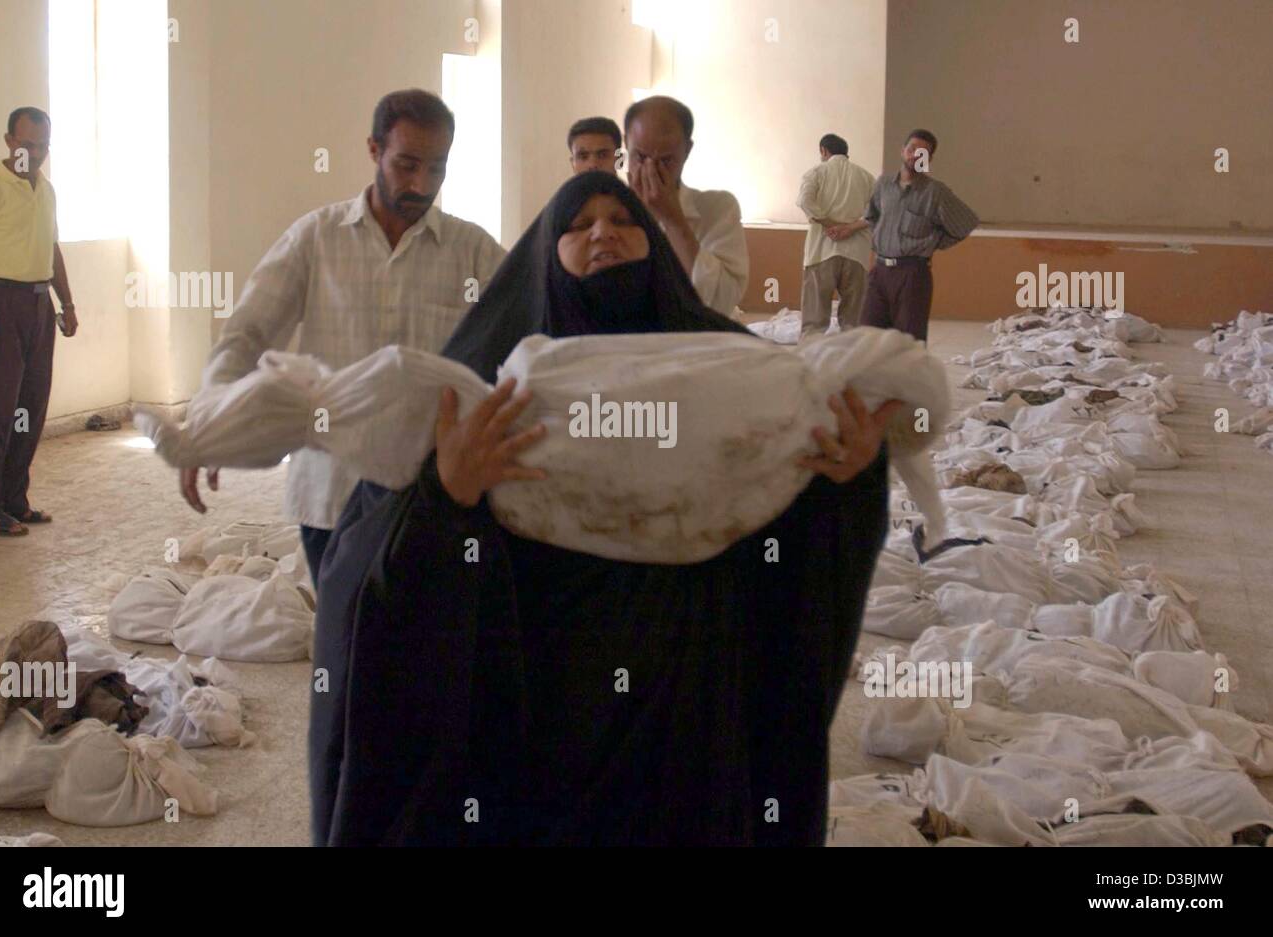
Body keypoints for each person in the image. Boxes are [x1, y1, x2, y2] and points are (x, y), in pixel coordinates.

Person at [308, 171, 896, 846]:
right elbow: (365, 572)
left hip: (680, 705)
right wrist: (448, 497)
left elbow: (793, 521)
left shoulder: (733, 376)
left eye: (622, 220)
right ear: (544, 259)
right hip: (532, 704)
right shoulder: (479, 386)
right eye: (578, 223)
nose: (602, 233)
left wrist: (844, 483)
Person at [181, 90, 505, 584]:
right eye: (407, 164)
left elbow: (525, 344)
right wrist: (209, 420)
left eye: (437, 168)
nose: (422, 183)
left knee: (427, 646)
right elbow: (246, 334)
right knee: (341, 642)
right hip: (330, 493)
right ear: (374, 150)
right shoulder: (316, 238)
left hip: (433, 493)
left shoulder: (474, 252)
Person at [0, 107, 78, 537]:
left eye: (41, 146)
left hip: (38, 308)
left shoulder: (47, 191)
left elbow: (51, 250)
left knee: (28, 409)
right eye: (25, 144)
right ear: (9, 141)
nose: (32, 153)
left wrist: (66, 303)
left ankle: (15, 499)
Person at [841, 129, 978, 342]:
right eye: (912, 149)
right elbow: (872, 216)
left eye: (922, 152)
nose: (915, 155)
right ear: (902, 151)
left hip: (913, 274)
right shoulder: (884, 185)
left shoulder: (935, 192)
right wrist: (880, 238)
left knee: (908, 344)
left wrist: (934, 243)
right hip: (880, 272)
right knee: (867, 337)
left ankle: (908, 377)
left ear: (929, 159)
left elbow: (966, 223)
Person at [623, 95, 748, 317]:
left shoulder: (718, 209)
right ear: (626, 145)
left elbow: (721, 303)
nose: (651, 170)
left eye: (665, 160)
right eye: (640, 157)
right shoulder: (609, 213)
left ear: (687, 151)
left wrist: (674, 221)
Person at [797, 133, 875, 337]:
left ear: (823, 151)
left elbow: (805, 201)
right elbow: (877, 212)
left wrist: (830, 224)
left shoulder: (816, 172)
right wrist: (850, 227)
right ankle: (851, 365)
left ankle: (810, 365)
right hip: (856, 253)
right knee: (853, 324)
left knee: (813, 324)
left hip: (821, 252)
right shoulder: (866, 177)